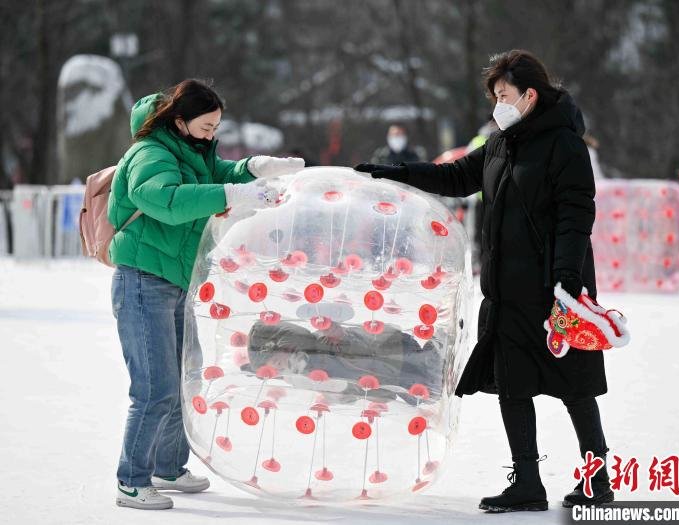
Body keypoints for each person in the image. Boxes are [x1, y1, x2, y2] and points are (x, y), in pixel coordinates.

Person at [356, 50, 611, 512]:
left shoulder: (565, 145)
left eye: (504, 95)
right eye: (495, 96)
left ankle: (598, 480)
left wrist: (567, 282)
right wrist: (398, 173)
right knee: (511, 384)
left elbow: (577, 215)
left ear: (529, 96)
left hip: (555, 289)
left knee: (576, 385)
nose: (498, 104)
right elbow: (457, 176)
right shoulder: (501, 142)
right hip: (506, 289)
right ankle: (527, 482)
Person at [108, 79, 303, 510]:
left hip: (175, 280)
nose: (212, 134)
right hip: (142, 280)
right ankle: (132, 479)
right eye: (206, 125)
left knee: (182, 376)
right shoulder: (150, 153)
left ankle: (168, 467)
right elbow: (164, 199)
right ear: (179, 121)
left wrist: (255, 169)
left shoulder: (192, 151)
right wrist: (231, 195)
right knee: (154, 386)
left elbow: (221, 174)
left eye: (216, 127)